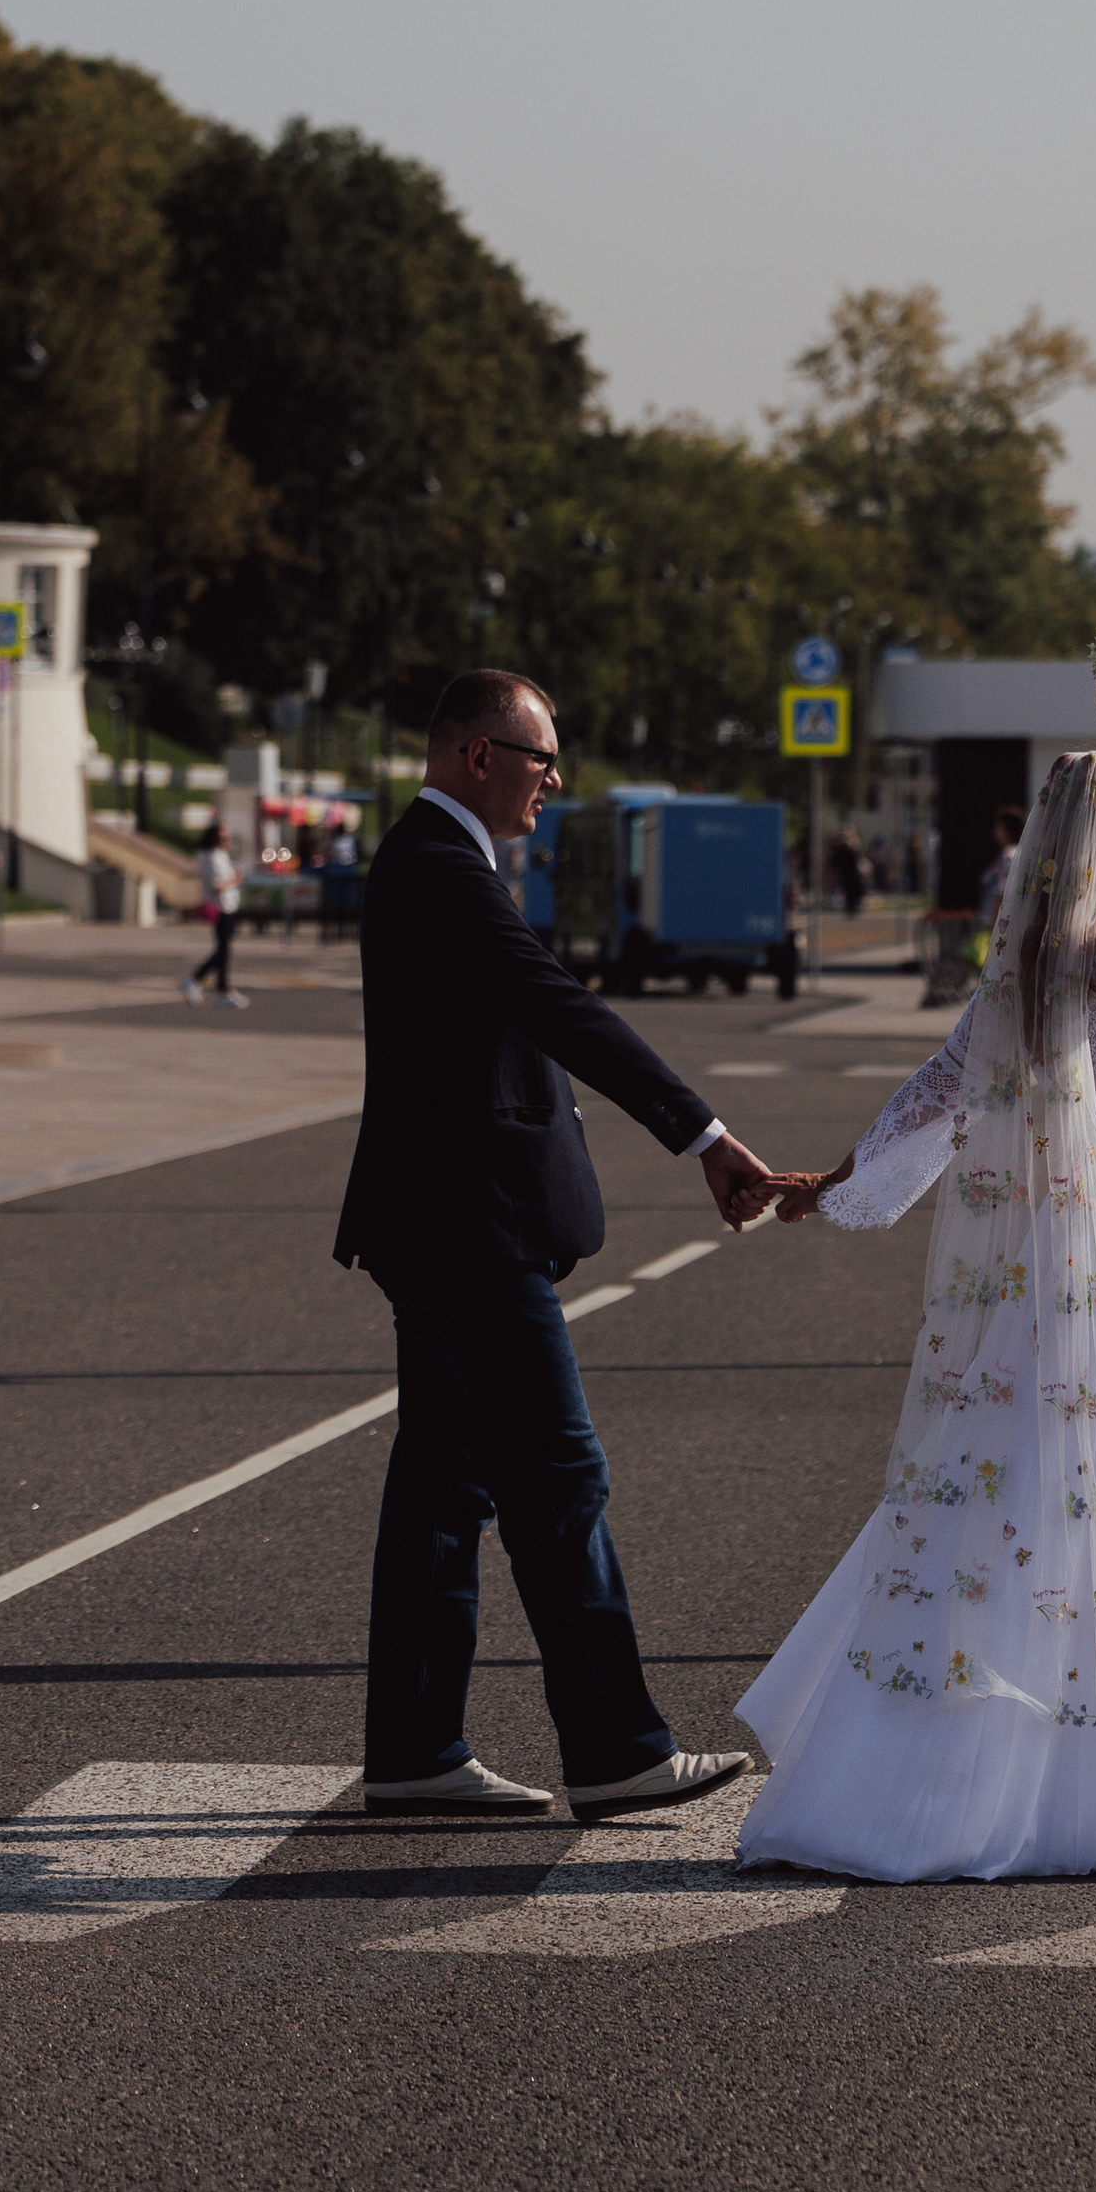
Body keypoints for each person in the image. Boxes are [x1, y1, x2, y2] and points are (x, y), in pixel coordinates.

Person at [737, 652, 1096, 1884]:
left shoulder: (1025, 970)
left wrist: (827, 1184)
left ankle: (954, 1742)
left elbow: (932, 1098)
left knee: (1030, 1477)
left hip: (1066, 1238)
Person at [333, 669, 780, 1817]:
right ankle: (615, 1746)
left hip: (441, 1224)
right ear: (477, 757)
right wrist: (703, 1134)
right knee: (555, 1474)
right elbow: (557, 1006)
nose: (552, 782)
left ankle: (413, 1752)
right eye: (539, 761)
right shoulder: (440, 869)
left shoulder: (435, 863)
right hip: (469, 1233)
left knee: (445, 1486)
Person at [181, 822, 248, 1008]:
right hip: (221, 907)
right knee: (223, 951)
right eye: (223, 838)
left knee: (224, 950)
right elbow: (217, 886)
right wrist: (235, 880)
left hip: (227, 906)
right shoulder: (212, 857)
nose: (227, 841)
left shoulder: (216, 855)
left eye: (228, 837)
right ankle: (199, 981)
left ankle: (220, 988)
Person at [975, 807, 1024, 934]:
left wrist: (994, 923)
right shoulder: (1018, 853)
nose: (995, 832)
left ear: (1008, 830)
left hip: (999, 924)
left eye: (998, 827)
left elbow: (1002, 891)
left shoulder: (1008, 855)